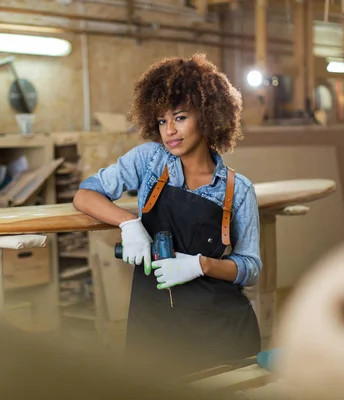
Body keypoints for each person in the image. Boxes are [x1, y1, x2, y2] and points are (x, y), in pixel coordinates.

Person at [73, 53, 262, 376]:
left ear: (207, 116)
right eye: (162, 121)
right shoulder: (150, 161)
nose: (169, 131)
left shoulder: (237, 189)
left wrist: (199, 264)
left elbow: (251, 268)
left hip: (220, 330)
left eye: (180, 117)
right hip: (155, 324)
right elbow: (85, 195)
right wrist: (129, 223)